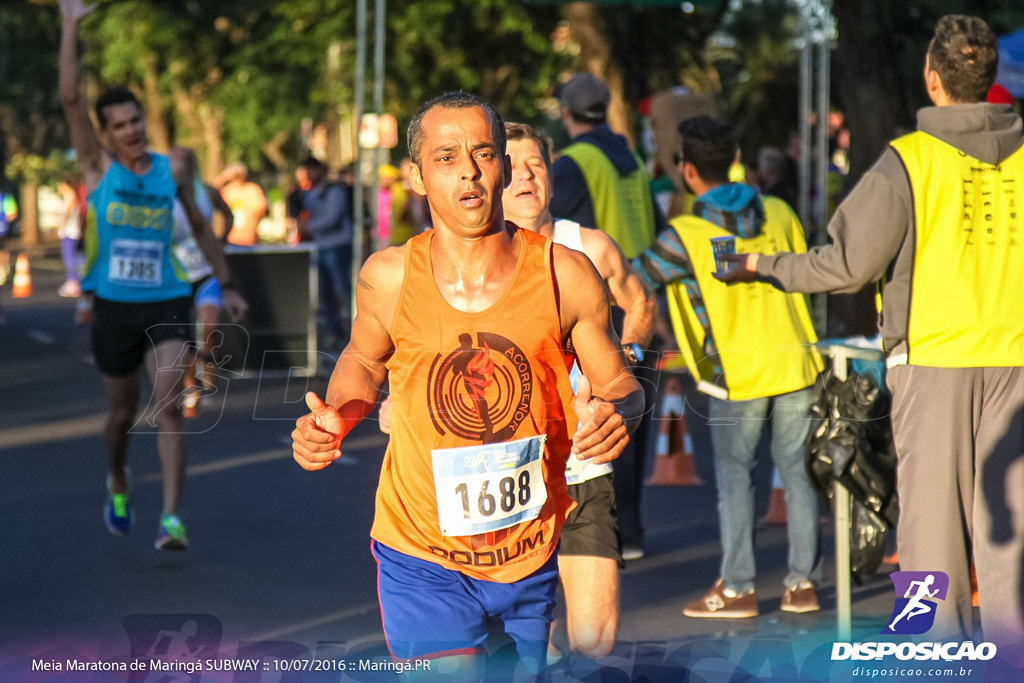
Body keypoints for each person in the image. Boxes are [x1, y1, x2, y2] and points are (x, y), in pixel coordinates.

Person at [291, 92, 643, 678]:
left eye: (483, 153)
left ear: (504, 165)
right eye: (447, 157)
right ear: (418, 176)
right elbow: (364, 359)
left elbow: (622, 387)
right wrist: (337, 414)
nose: (469, 171)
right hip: (420, 552)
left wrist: (617, 413)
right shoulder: (389, 275)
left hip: (527, 551)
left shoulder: (565, 274)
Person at [719, 15, 1024, 648]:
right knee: (1010, 532)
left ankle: (933, 655)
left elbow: (846, 265)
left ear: (931, 78)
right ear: (990, 78)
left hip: (934, 359)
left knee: (931, 533)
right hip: (1017, 361)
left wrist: (759, 265)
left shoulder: (907, 162)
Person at [59, 0, 247, 550]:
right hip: (114, 307)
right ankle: (118, 478)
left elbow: (200, 225)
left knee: (167, 398)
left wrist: (226, 284)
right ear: (106, 135)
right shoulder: (99, 170)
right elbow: (71, 95)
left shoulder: (175, 169)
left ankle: (171, 519)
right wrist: (71, 25)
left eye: (136, 120)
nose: (131, 131)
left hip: (166, 298)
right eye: (118, 126)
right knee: (120, 413)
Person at [634, 115, 824, 618]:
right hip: (797, 360)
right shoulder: (780, 211)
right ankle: (802, 585)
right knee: (798, 475)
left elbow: (632, 278)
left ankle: (739, 588)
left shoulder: (683, 235)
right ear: (735, 159)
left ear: (688, 170)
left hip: (733, 374)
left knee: (736, 478)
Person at [503, 121, 656, 660]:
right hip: (508, 478)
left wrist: (625, 363)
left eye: (536, 165)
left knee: (595, 641)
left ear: (551, 174)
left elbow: (639, 302)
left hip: (583, 468)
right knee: (528, 648)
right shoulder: (474, 261)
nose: (526, 177)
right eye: (512, 168)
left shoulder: (586, 245)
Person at [553, 72, 667, 558]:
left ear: (566, 114)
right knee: (633, 425)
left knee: (598, 424)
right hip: (637, 299)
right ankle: (634, 531)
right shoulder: (633, 161)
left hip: (597, 308)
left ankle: (607, 532)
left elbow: (552, 229)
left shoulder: (574, 164)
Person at [168, 146, 236, 418]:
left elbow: (227, 214)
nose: (180, 168)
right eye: (175, 162)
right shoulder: (162, 196)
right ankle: (190, 385)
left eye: (185, 162)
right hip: (178, 275)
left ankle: (205, 361)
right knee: (183, 337)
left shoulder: (206, 192)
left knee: (209, 324)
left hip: (205, 271)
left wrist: (222, 240)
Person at [296, 156, 354, 349]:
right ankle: (334, 332)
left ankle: (354, 331)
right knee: (325, 293)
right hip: (320, 247)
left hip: (337, 246)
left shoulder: (334, 191)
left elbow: (333, 218)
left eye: (312, 170)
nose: (310, 174)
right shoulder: (310, 194)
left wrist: (310, 227)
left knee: (343, 289)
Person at [216, 162, 267, 246]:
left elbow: (261, 210)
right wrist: (223, 177)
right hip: (230, 239)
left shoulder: (252, 190)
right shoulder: (228, 191)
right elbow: (211, 194)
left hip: (249, 240)